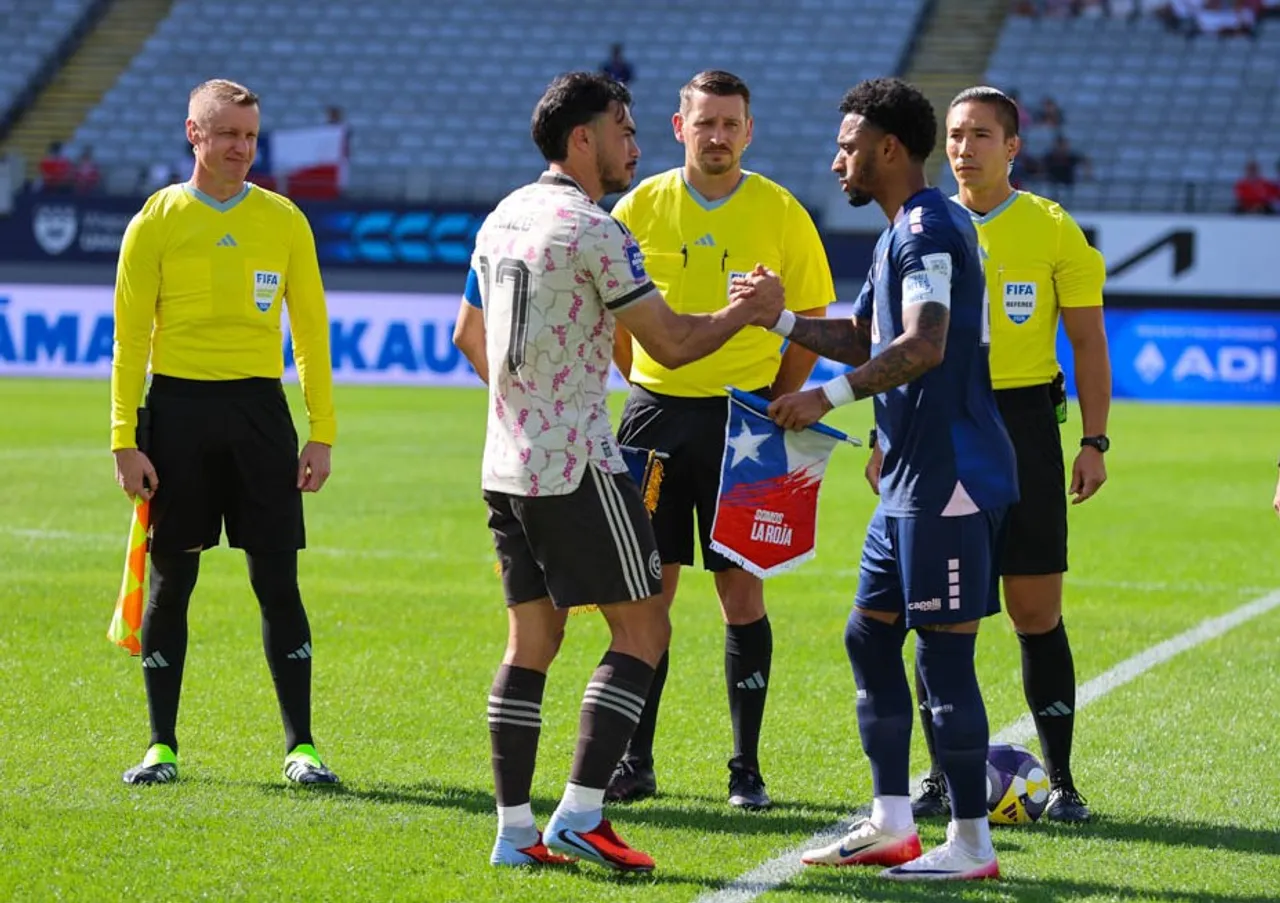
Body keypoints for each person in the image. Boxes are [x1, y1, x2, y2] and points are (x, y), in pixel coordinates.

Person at [458, 71, 782, 871]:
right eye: (623, 130)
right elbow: (669, 344)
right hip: (578, 463)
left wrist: (526, 401)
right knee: (644, 627)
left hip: (506, 461)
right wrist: (746, 311)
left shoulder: (505, 215)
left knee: (531, 638)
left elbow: (466, 335)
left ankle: (512, 831)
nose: (634, 145)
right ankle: (581, 813)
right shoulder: (593, 227)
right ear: (582, 139)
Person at [738, 76, 1017, 880]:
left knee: (942, 659)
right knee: (870, 634)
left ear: (889, 149)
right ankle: (892, 822)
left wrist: (816, 397)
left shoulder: (928, 229)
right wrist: (783, 320)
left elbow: (924, 344)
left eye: (850, 147)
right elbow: (871, 335)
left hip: (950, 479)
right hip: (908, 479)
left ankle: (970, 842)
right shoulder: (903, 232)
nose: (837, 163)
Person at [604, 69, 836, 810]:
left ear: (749, 129)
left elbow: (813, 314)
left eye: (731, 123)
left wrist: (777, 398)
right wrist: (645, 381)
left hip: (750, 425)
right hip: (655, 420)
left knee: (743, 593)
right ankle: (635, 760)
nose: (718, 136)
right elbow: (615, 324)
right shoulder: (640, 206)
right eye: (704, 123)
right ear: (680, 128)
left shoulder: (780, 211)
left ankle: (746, 767)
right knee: (650, 594)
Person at [111, 79, 338, 787]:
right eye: (227, 133)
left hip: (260, 418)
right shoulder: (155, 221)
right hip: (175, 415)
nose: (242, 147)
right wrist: (125, 438)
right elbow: (127, 342)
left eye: (250, 134)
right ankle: (161, 746)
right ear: (194, 134)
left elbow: (311, 333)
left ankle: (301, 747)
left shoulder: (284, 220)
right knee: (173, 580)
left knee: (278, 580)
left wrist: (320, 430)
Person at [895, 85, 1110, 824]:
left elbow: (1086, 341)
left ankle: (1063, 778)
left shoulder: (1052, 228)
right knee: (938, 613)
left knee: (1034, 609)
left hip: (1022, 426)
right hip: (939, 420)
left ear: (1012, 146)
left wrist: (1093, 439)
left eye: (981, 134)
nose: (964, 147)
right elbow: (891, 342)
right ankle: (934, 773)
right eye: (955, 134)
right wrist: (882, 437)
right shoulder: (921, 223)